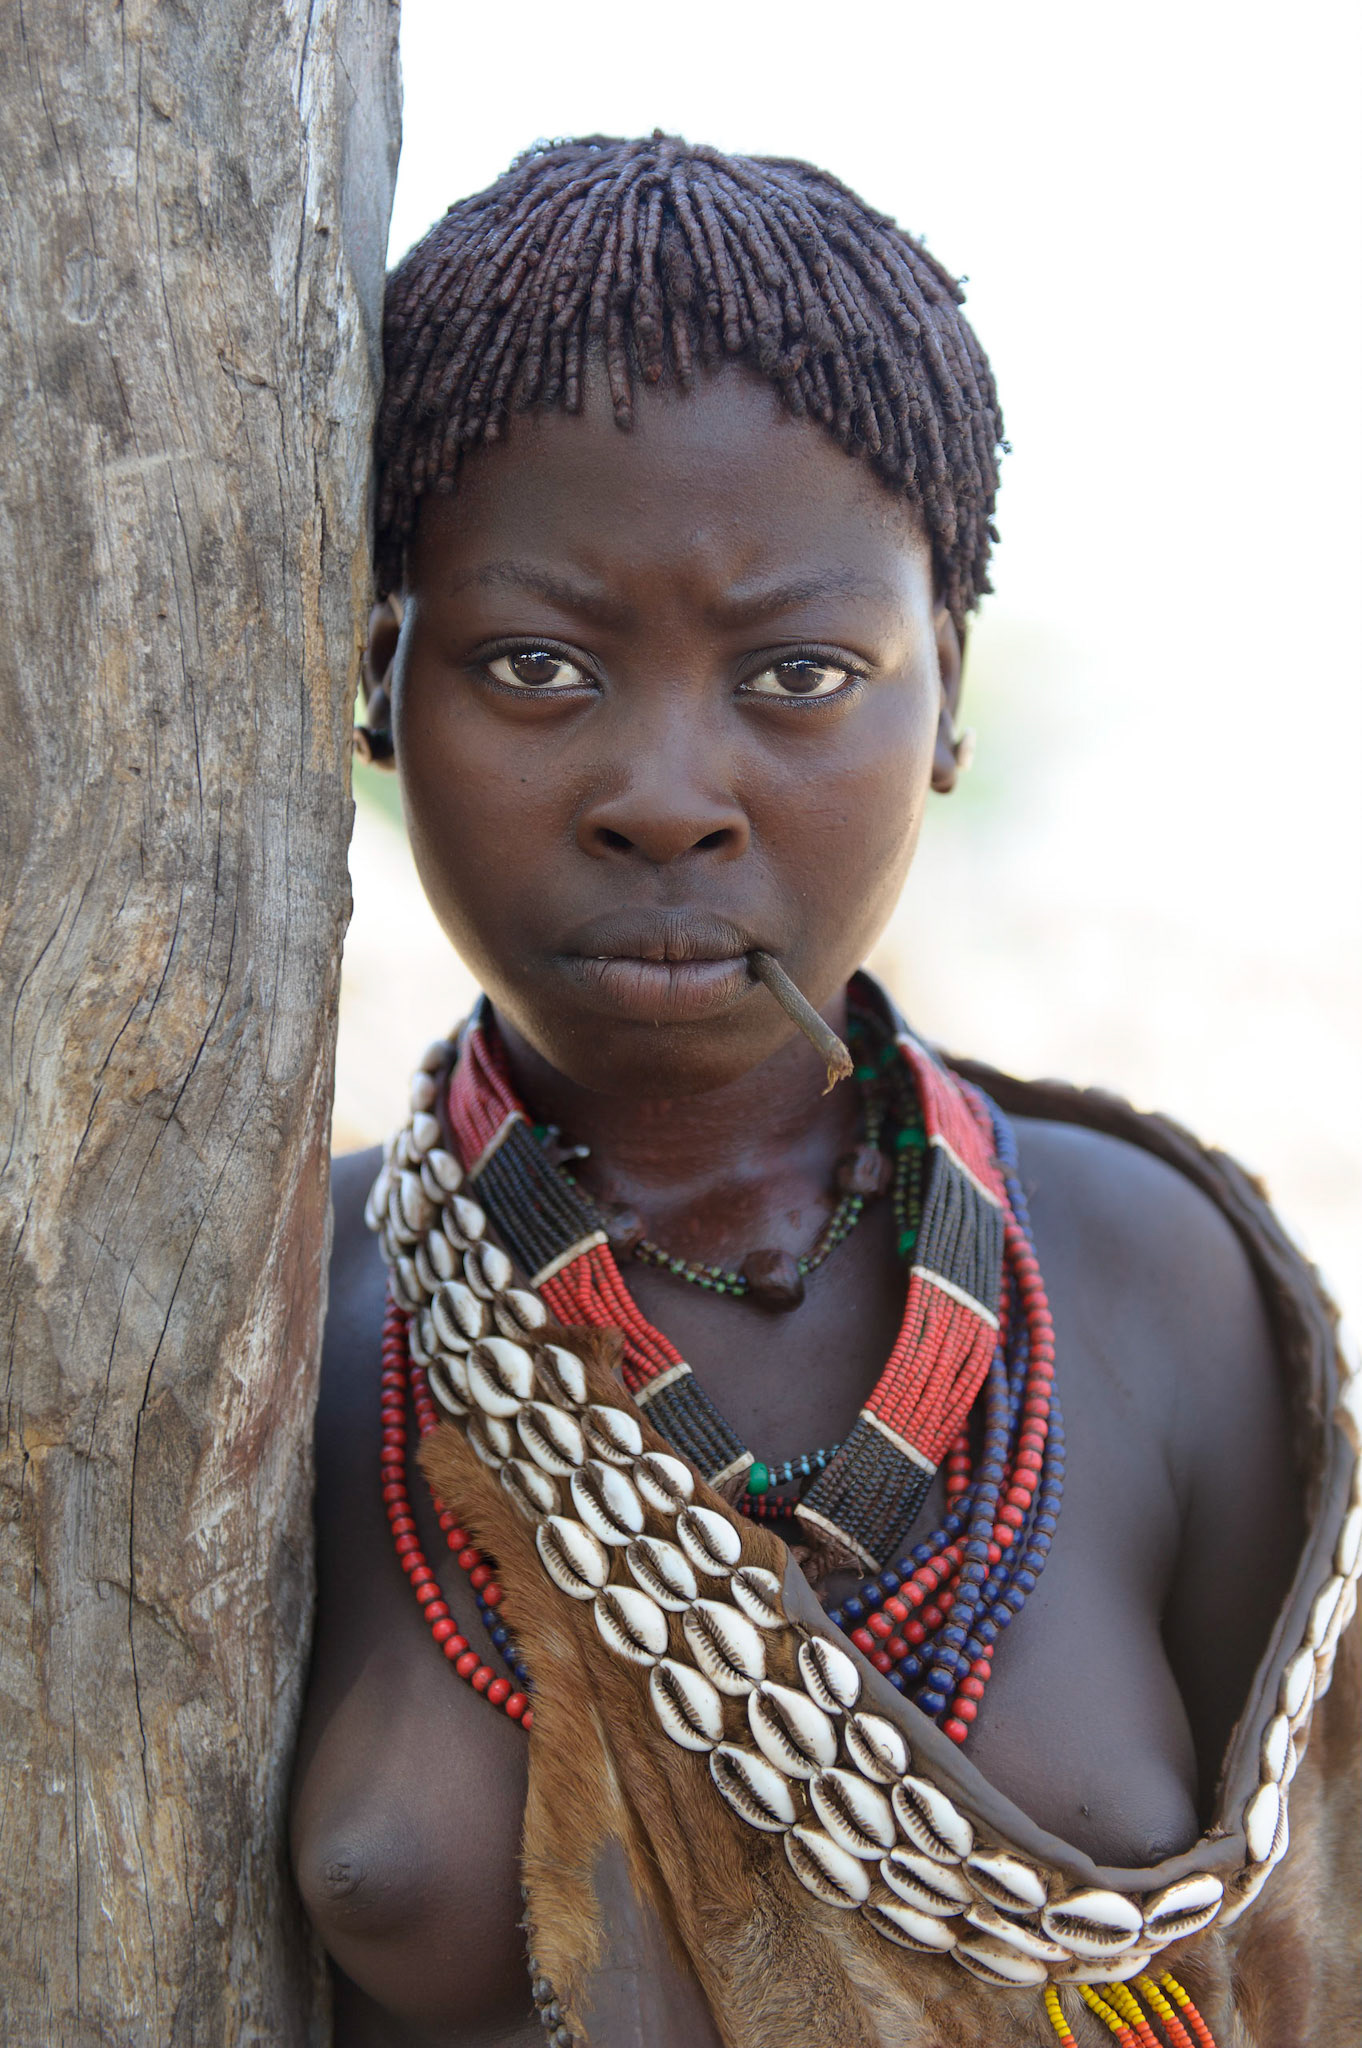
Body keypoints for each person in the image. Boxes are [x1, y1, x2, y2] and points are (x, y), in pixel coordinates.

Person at [289, 136, 1360, 2047]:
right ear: (379, 682)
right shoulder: (262, 1343)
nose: (667, 790)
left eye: (796, 673)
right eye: (536, 664)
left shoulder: (1150, 1289)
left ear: (942, 692)